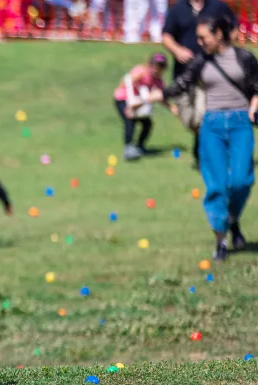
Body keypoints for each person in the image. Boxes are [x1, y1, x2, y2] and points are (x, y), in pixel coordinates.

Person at [147, 16, 258, 261]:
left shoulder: (245, 58)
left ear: (219, 34)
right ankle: (220, 240)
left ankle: (231, 220)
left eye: (202, 37)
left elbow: (257, 87)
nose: (198, 42)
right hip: (212, 126)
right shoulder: (201, 61)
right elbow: (181, 85)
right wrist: (156, 95)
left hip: (240, 123)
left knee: (242, 180)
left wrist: (254, 105)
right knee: (217, 185)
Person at [161, 0, 235, 166]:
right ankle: (204, 142)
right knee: (189, 119)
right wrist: (177, 50)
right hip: (183, 74)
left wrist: (222, 49)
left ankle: (210, 153)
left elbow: (233, 30)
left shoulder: (218, 7)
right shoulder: (178, 9)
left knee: (205, 116)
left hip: (210, 75)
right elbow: (166, 36)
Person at [114, 52, 178, 160]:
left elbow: (160, 96)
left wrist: (171, 107)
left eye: (161, 67)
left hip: (138, 103)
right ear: (150, 65)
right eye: (156, 66)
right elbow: (127, 82)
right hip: (122, 98)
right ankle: (128, 149)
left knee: (147, 124)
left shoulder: (158, 81)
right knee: (130, 120)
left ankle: (139, 147)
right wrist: (130, 105)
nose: (157, 70)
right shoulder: (141, 71)